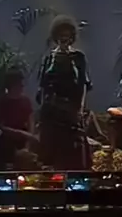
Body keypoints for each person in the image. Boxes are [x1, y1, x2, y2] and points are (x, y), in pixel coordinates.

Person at [36, 15, 92, 170]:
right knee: (50, 149)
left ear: (72, 37)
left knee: (72, 148)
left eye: (67, 35)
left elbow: (83, 84)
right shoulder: (49, 58)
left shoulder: (78, 57)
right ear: (56, 36)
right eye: (61, 35)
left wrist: (80, 109)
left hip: (70, 109)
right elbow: (42, 84)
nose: (64, 38)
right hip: (51, 110)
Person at [0, 68, 36, 166]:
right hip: (7, 140)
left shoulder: (25, 101)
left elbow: (30, 121)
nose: (22, 87)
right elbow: (0, 126)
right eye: (19, 84)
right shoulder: (1, 102)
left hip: (24, 139)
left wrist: (28, 142)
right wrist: (21, 134)